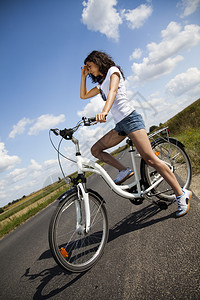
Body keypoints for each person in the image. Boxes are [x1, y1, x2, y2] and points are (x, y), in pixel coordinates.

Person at [80, 50, 192, 217]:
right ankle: (124, 170)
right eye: (87, 68)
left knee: (150, 159)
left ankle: (181, 194)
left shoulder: (113, 71)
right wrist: (83, 76)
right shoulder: (100, 84)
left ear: (98, 61)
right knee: (95, 150)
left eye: (89, 66)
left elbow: (113, 92)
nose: (89, 69)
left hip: (131, 120)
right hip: (120, 126)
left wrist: (104, 111)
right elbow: (83, 95)